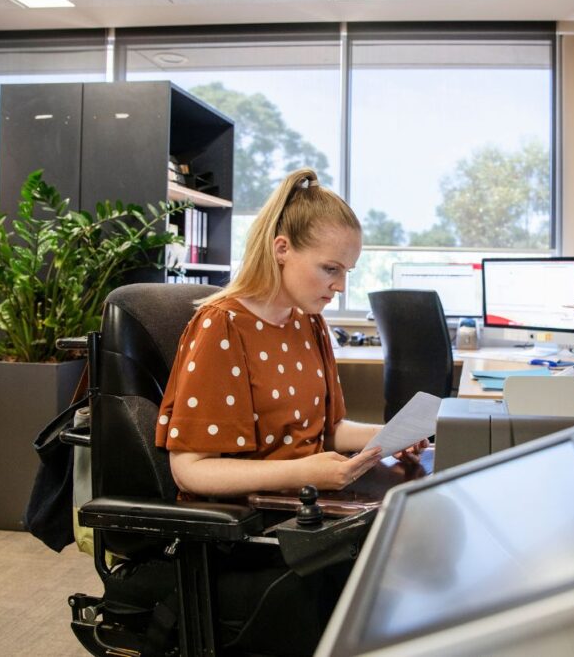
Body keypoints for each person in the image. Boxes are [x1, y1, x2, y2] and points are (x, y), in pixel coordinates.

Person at [154, 167, 426, 499]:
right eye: (330, 269)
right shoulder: (221, 326)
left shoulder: (309, 322)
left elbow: (328, 431)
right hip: (254, 514)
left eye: (347, 272)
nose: (340, 286)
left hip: (304, 496)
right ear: (282, 249)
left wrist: (389, 436)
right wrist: (305, 472)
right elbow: (190, 471)